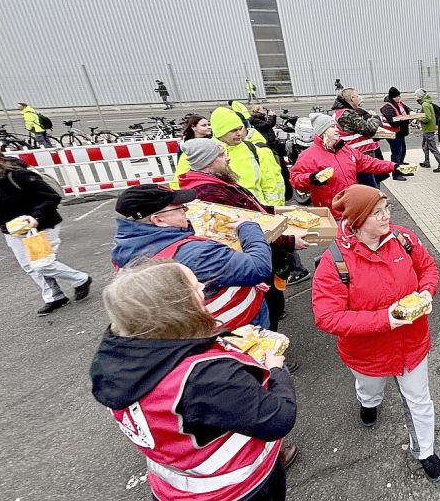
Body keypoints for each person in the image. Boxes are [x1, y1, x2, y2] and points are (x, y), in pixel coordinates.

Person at [90, 260, 298, 501]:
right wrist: (276, 371)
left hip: (176, 486)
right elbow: (278, 418)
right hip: (239, 488)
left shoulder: (113, 363)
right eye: (194, 286)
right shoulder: (206, 377)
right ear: (177, 309)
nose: (203, 287)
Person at [312, 185, 440, 482]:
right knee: (371, 390)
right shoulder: (334, 262)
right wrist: (385, 319)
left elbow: (428, 268)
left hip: (412, 343)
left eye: (387, 209)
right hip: (367, 353)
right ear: (358, 221)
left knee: (419, 400)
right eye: (378, 212)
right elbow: (327, 317)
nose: (387, 217)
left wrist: (426, 293)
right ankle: (369, 404)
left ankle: (425, 450)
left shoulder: (403, 238)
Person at [177, 140, 309, 352]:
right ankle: (267, 353)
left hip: (264, 252)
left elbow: (253, 211)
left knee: (273, 300)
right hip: (255, 257)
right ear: (208, 162)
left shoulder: (217, 181)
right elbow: (243, 230)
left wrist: (282, 213)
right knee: (268, 306)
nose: (227, 158)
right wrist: (290, 241)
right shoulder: (208, 193)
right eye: (221, 156)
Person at [111, 183, 273, 330]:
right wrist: (248, 227)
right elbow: (258, 267)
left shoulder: (125, 248)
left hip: (195, 329)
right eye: (180, 208)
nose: (185, 211)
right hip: (237, 325)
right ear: (158, 219)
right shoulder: (195, 253)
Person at [0, 150, 91, 315]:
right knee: (30, 266)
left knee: (42, 264)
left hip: (38, 227)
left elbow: (51, 197)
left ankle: (80, 279)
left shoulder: (18, 175)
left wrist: (35, 217)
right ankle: (54, 297)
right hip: (12, 230)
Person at [290, 113, 404, 221]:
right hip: (332, 215)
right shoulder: (308, 155)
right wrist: (312, 178)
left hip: (353, 210)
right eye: (332, 127)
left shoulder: (346, 150)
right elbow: (295, 179)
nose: (337, 129)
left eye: (336, 126)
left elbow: (370, 163)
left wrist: (394, 166)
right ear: (322, 132)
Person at [332, 87, 386, 188]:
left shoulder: (340, 112)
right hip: (360, 156)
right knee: (370, 189)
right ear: (352, 98)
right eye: (357, 96)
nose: (358, 98)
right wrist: (375, 118)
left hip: (357, 156)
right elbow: (369, 129)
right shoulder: (347, 114)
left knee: (370, 186)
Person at [169, 115, 212, 188]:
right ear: (193, 127)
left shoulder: (213, 142)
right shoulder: (185, 146)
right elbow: (181, 170)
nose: (208, 127)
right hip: (197, 183)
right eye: (204, 125)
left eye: (208, 124)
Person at [380, 87, 411, 168]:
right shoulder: (387, 106)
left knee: (402, 150)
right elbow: (393, 122)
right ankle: (396, 172)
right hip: (392, 133)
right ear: (393, 97)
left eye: (399, 96)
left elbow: (406, 108)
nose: (399, 98)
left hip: (400, 132)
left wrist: (411, 112)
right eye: (398, 96)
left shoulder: (398, 103)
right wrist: (407, 119)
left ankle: (401, 167)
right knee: (396, 152)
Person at [414, 89, 440, 171]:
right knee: (425, 146)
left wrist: (419, 118)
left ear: (420, 96)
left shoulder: (425, 104)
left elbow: (428, 117)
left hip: (428, 129)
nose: (415, 97)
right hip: (428, 129)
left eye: (416, 95)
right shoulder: (427, 103)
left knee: (432, 147)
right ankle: (427, 162)